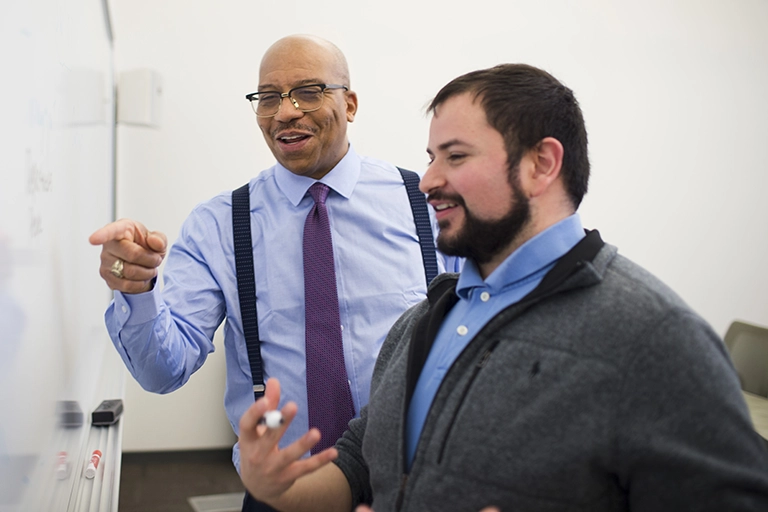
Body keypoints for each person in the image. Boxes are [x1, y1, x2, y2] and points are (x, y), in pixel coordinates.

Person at [236, 63, 768, 512]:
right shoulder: (423, 321)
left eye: (456, 156)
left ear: (541, 164)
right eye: (430, 157)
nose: (427, 181)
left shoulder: (654, 337)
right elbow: (360, 464)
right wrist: (274, 486)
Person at [88, 34, 459, 512]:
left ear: (349, 104)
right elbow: (163, 370)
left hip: (414, 483)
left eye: (308, 92)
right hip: (281, 493)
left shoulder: (424, 204)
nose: (285, 112)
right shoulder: (219, 225)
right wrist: (138, 292)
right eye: (268, 98)